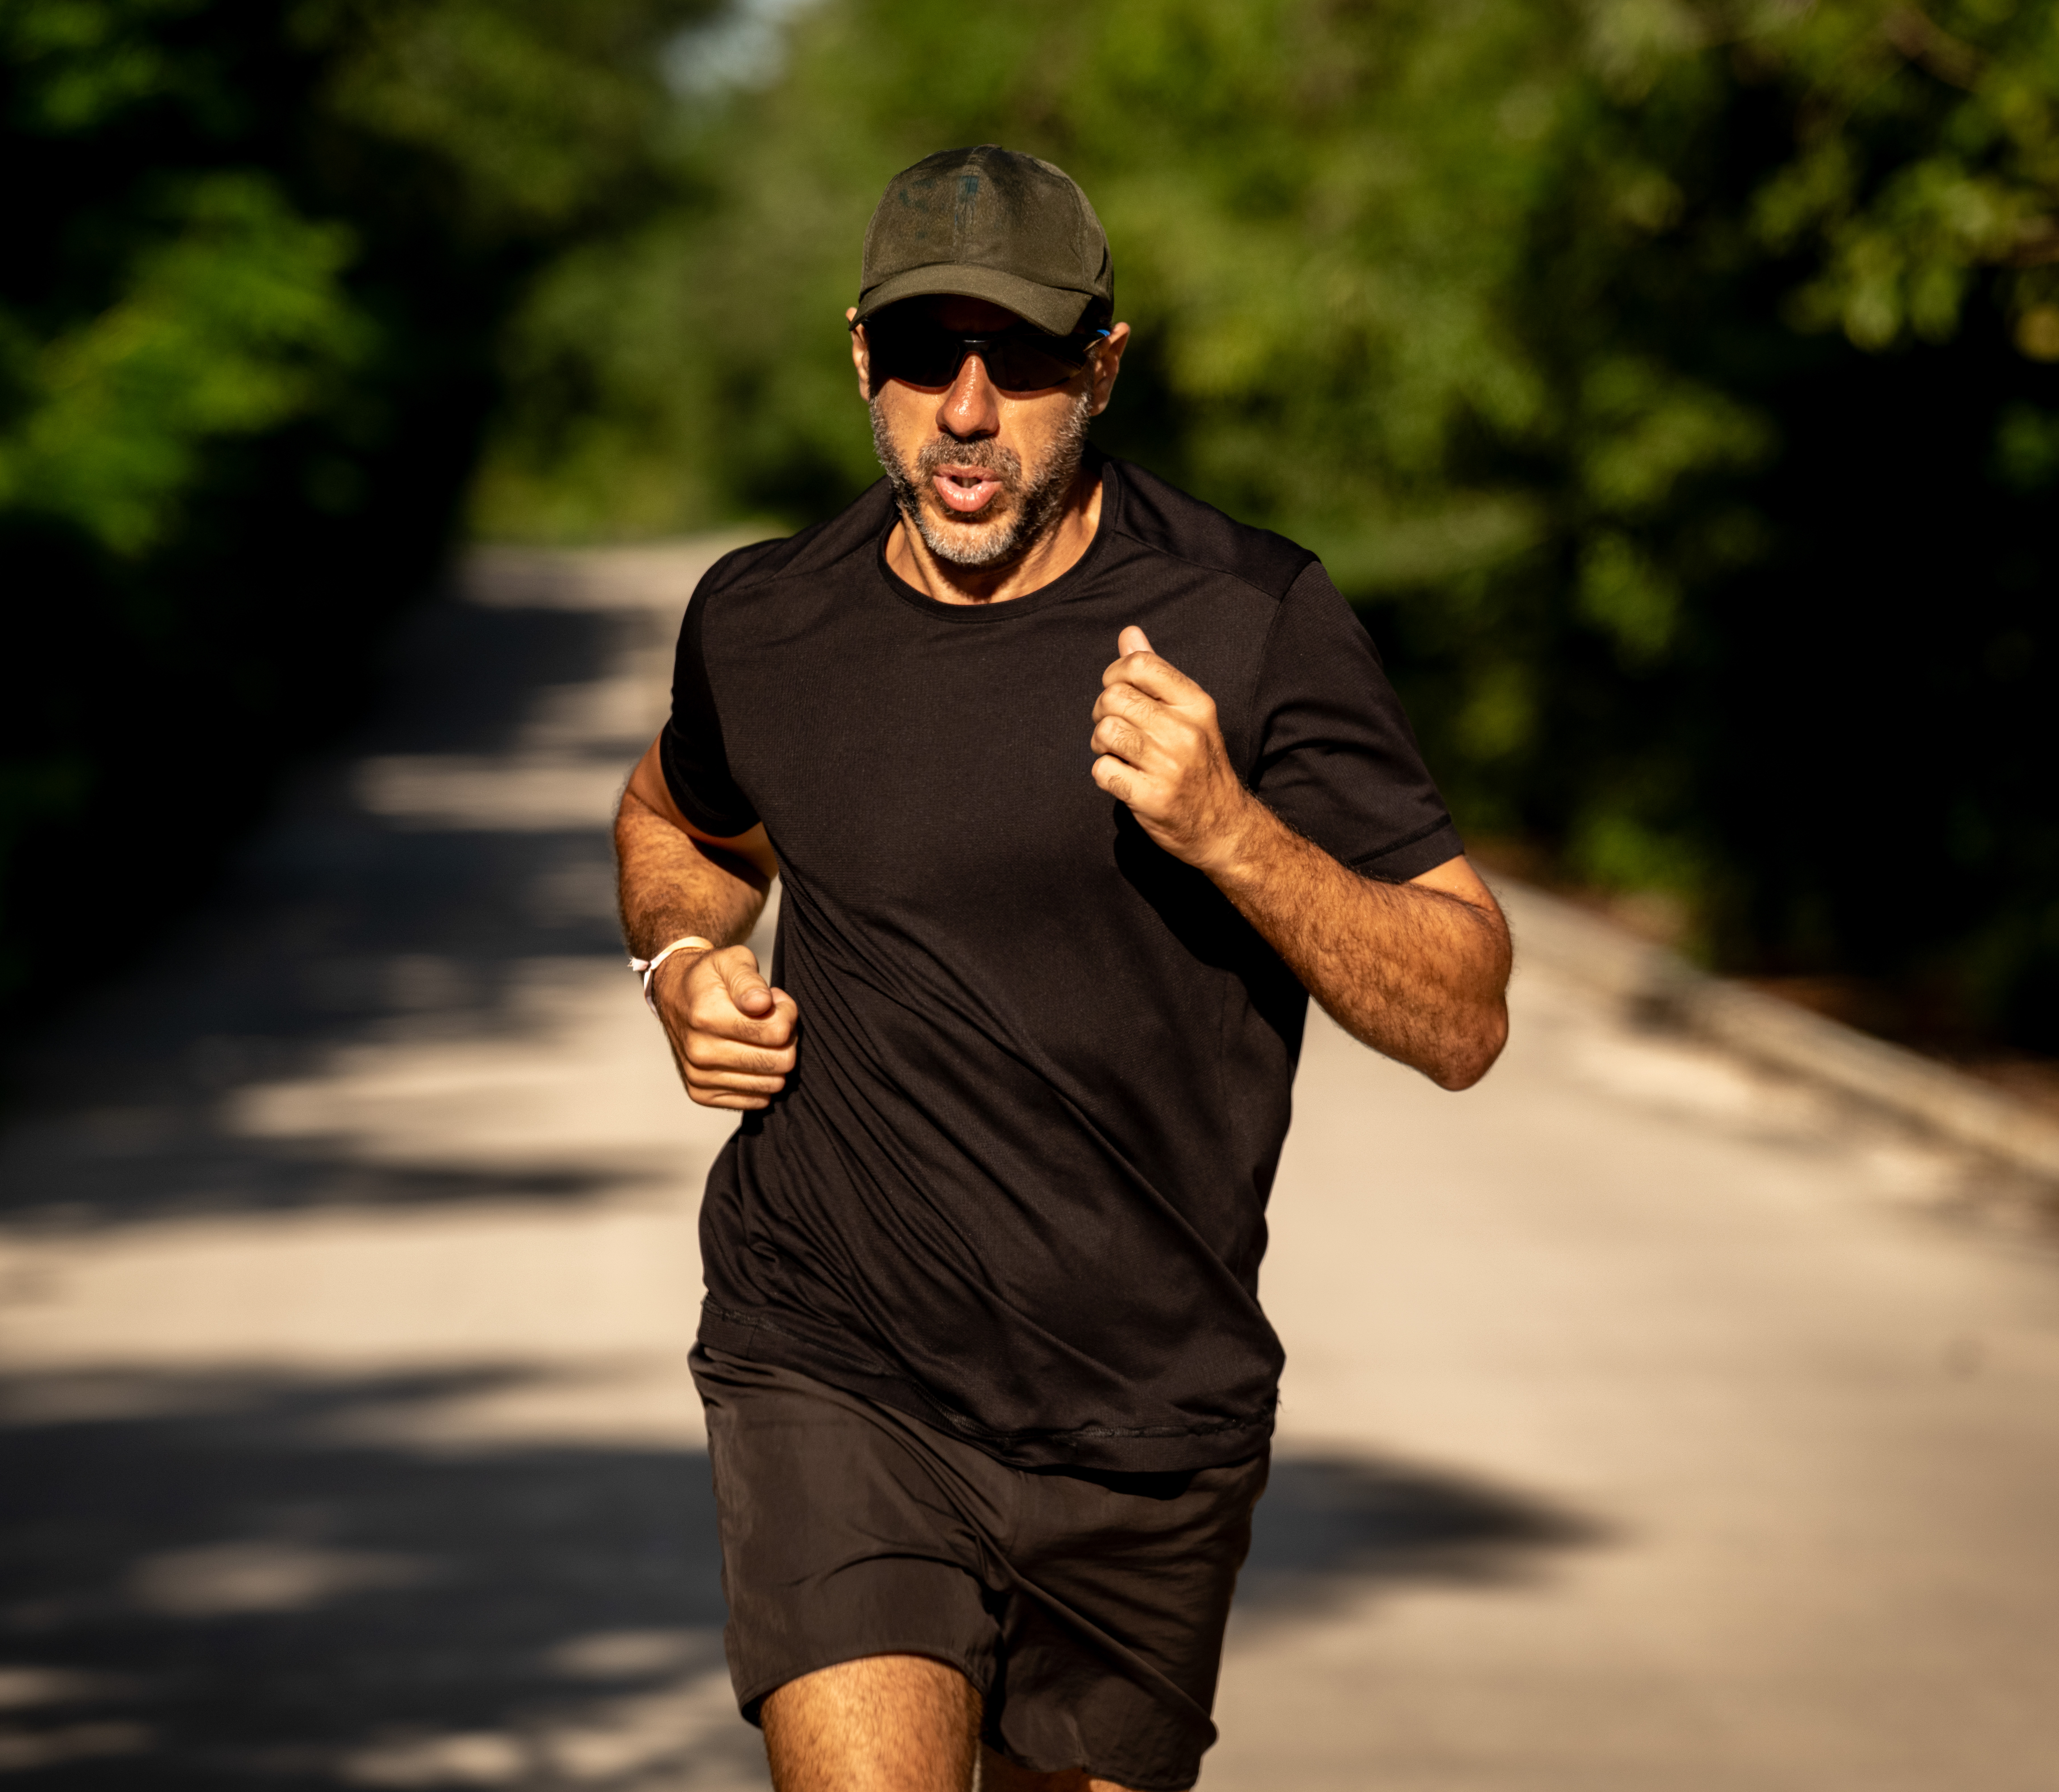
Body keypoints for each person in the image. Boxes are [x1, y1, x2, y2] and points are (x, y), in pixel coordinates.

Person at [613, 144, 1511, 1792]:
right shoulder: (765, 622)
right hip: (836, 1362)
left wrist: (1238, 833)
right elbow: (679, 818)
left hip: (1143, 1424)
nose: (968, 409)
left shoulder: (1248, 621)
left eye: (1020, 357)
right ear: (859, 360)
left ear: (1100, 366)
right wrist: (682, 957)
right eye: (924, 355)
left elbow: (1465, 1011)